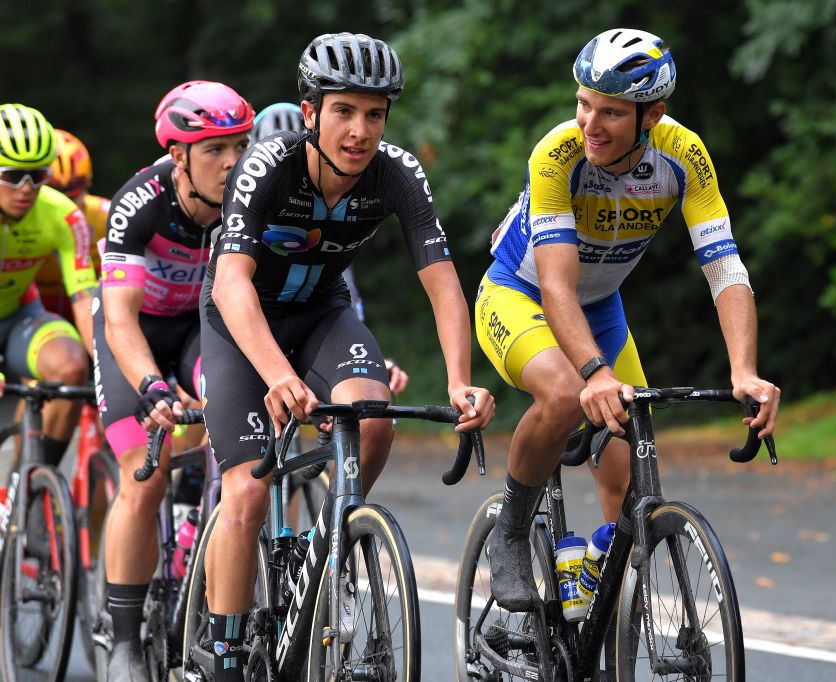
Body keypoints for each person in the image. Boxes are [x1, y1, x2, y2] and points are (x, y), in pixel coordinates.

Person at [200, 32, 494, 680]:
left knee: (374, 416)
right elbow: (229, 282)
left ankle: (332, 537)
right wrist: (276, 375)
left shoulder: (397, 173)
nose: (359, 130)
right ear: (310, 113)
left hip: (324, 316)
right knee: (248, 492)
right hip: (240, 324)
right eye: (343, 111)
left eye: (375, 113)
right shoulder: (267, 167)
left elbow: (443, 279)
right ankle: (220, 655)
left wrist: (459, 381)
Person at [477, 28, 781, 611]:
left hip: (600, 310)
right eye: (583, 104)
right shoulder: (557, 154)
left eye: (611, 111)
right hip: (521, 294)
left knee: (627, 478)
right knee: (567, 395)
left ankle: (591, 587)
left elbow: (725, 268)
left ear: (652, 115)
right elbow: (558, 286)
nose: (590, 123)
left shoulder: (683, 156)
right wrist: (594, 372)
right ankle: (513, 533)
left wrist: (745, 370)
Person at [95, 81, 254, 681]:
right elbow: (118, 320)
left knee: (235, 442)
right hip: (135, 331)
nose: (233, 162)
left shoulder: (250, 201)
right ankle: (126, 639)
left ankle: (220, 596)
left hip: (199, 331)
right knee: (146, 471)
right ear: (179, 155)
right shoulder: (141, 202)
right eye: (215, 149)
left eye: (240, 145)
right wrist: (152, 388)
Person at [250, 102, 408, 394]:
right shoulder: (241, 194)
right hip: (247, 324)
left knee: (363, 409)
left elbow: (346, 297)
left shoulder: (332, 205)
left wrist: (372, 360)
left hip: (313, 323)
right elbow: (217, 293)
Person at [0, 104, 96, 466]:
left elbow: (84, 299)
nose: (27, 189)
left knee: (72, 367)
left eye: (38, 175)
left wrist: (105, 367)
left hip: (19, 314)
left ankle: (37, 480)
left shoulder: (63, 215)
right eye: (13, 176)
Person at [35, 129, 109, 319]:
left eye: (72, 194)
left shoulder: (107, 217)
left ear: (88, 184)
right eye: (52, 194)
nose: (63, 206)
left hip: (91, 311)